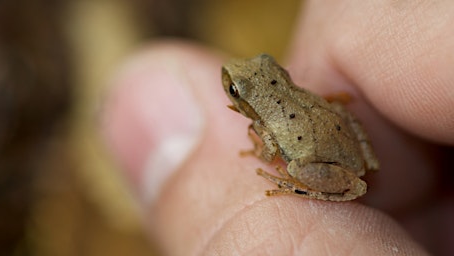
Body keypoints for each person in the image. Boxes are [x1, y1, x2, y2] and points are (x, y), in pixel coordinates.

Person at [101, 1, 453, 255]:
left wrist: (263, 151)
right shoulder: (285, 96)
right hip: (342, 136)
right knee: (332, 112)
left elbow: (271, 152)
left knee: (296, 165)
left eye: (234, 91)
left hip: (324, 159)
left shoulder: (265, 124)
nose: (231, 84)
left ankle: (303, 187)